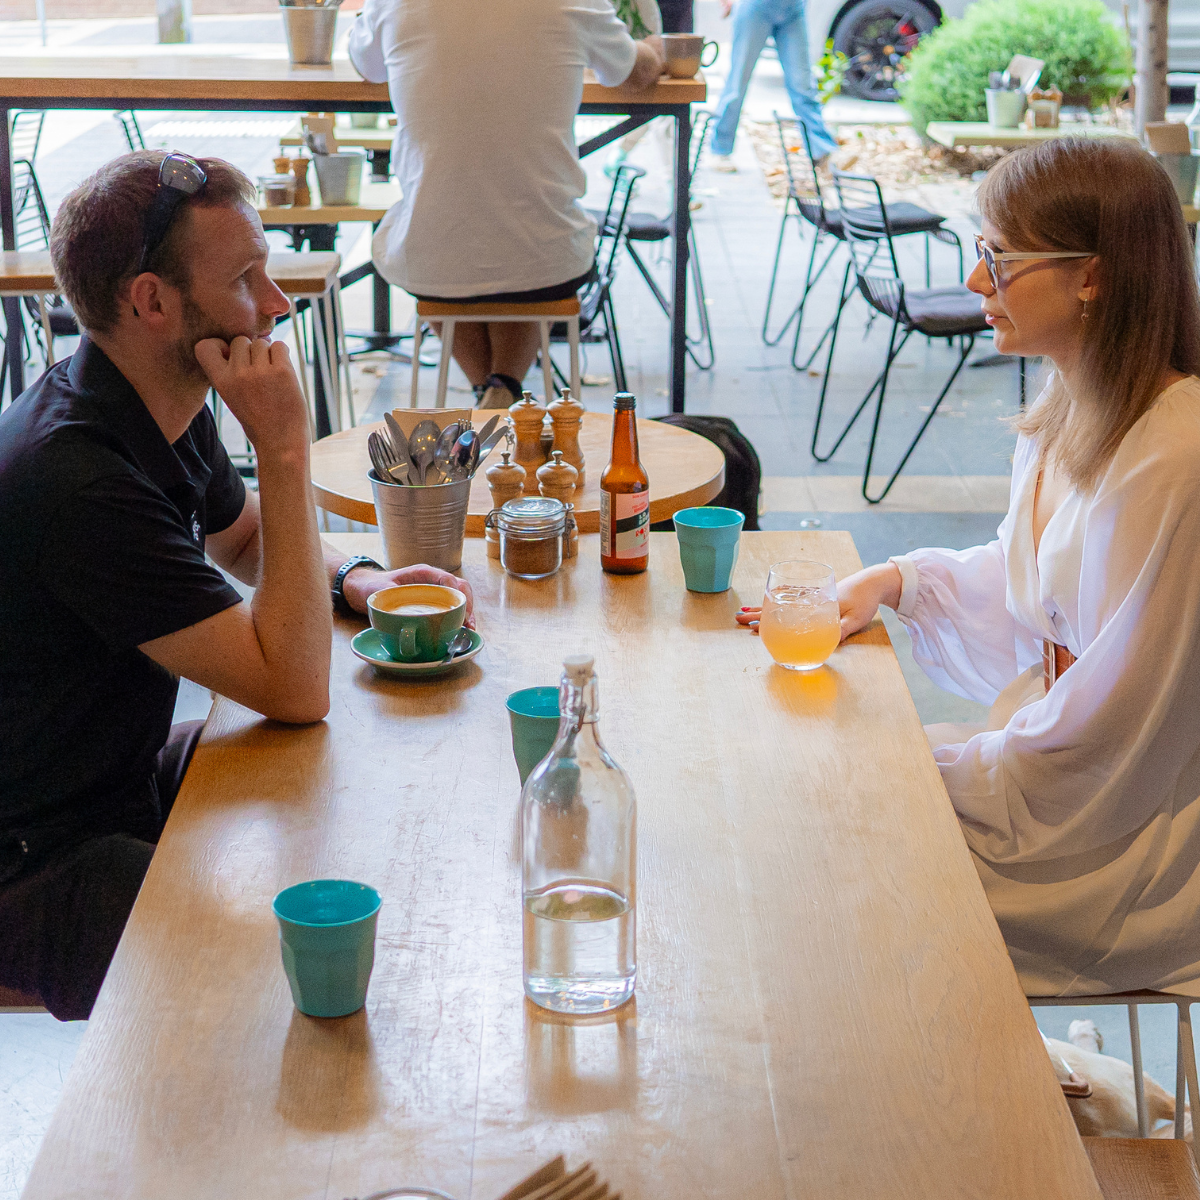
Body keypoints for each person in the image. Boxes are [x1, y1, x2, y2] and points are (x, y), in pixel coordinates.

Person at [0, 151, 471, 1020]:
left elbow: (246, 536)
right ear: (152, 302)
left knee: (337, 785)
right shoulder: (77, 481)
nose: (278, 302)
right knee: (284, 982)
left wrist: (359, 579)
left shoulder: (147, 397)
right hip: (37, 860)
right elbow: (293, 684)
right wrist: (284, 448)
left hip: (112, 782)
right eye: (247, 279)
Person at [742, 138, 1200, 997]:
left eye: (1000, 258)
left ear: (1092, 276)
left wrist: (937, 772)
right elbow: (1045, 581)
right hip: (1065, 771)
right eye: (979, 250)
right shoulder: (1072, 403)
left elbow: (1125, 718)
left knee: (836, 847)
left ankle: (946, 1074)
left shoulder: (1175, 456)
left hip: (1129, 840)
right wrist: (897, 582)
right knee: (814, 790)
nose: (975, 280)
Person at [349, 0, 665, 408]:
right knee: (522, 240)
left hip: (432, 261)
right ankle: (504, 390)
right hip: (547, 259)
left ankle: (491, 396)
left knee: (446, 245)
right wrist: (655, 49)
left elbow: (366, 65)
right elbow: (634, 73)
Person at [709, 0, 836, 171]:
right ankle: (720, 148)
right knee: (737, 82)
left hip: (793, 9)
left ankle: (821, 149)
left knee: (802, 84)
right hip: (756, 6)